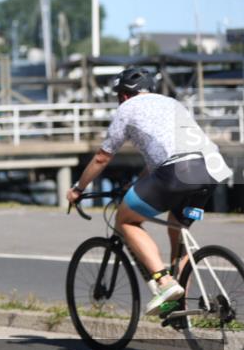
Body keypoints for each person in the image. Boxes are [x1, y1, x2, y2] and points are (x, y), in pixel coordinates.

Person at [66, 67, 232, 317]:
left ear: (124, 95)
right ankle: (180, 309)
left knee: (126, 220)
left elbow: (102, 157)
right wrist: (135, 184)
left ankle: (164, 282)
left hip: (176, 172)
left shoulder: (127, 109)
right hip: (211, 170)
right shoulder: (172, 103)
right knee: (178, 230)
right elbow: (161, 160)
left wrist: (78, 189)